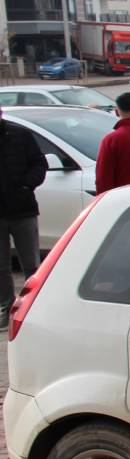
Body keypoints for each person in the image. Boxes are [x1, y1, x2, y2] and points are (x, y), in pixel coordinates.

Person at [0, 105, 48, 328]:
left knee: (31, 264)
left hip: (23, 209)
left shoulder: (19, 135)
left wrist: (27, 185)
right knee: (1, 267)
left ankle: (35, 306)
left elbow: (39, 163)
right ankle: (6, 308)